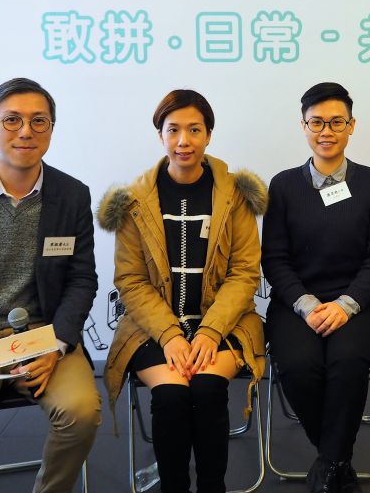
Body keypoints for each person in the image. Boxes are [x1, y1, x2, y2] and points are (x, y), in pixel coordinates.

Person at [97, 89, 267, 493]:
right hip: (151, 328)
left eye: (194, 129)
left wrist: (209, 331)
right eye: (173, 130)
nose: (183, 141)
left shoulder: (236, 195)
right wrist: (171, 335)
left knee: (207, 389)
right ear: (160, 135)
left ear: (209, 134)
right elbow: (131, 280)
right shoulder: (134, 200)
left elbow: (245, 273)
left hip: (226, 323)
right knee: (172, 396)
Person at [0, 78, 101, 493]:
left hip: (42, 335)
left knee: (81, 413)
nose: (26, 131)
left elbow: (82, 278)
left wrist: (58, 344)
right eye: (12, 120)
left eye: (38, 121)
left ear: (51, 129)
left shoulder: (72, 195)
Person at [262, 82, 370, 493]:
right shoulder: (283, 186)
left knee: (347, 362)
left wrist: (345, 305)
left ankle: (330, 464)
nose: (326, 131)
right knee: (299, 365)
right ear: (303, 126)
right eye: (316, 122)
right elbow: (274, 259)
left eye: (337, 122)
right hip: (295, 304)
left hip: (359, 302)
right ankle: (337, 461)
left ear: (352, 126)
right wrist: (307, 304)